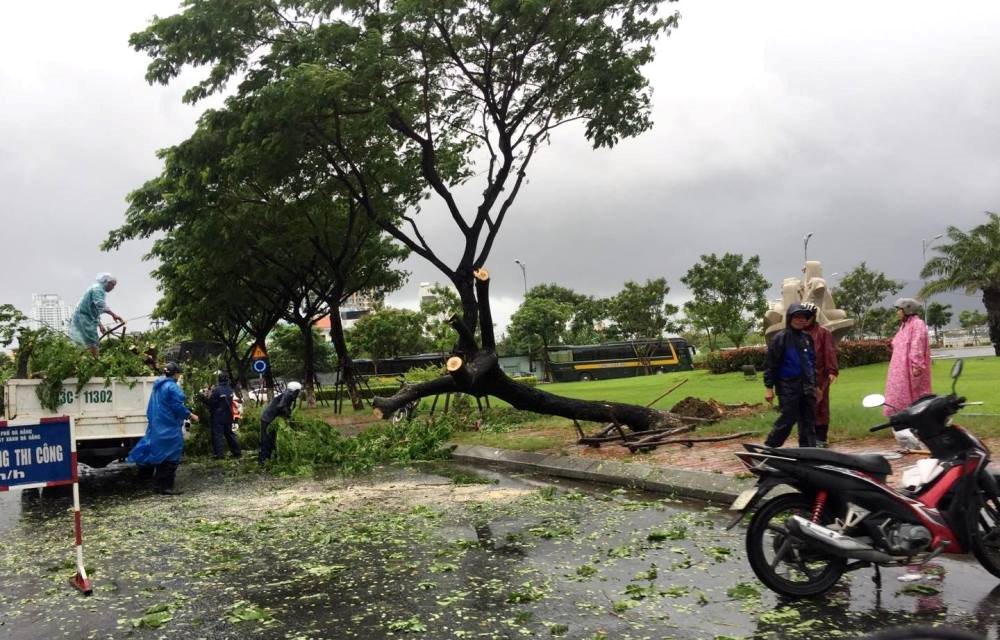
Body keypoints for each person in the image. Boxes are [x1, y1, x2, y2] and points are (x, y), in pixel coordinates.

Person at [127, 362, 199, 495]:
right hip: (170, 427)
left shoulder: (157, 386)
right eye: (179, 373)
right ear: (175, 374)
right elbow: (177, 406)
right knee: (172, 457)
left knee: (162, 457)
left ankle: (157, 486)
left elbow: (150, 408)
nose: (179, 376)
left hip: (158, 426)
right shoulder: (172, 387)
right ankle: (166, 487)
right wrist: (191, 415)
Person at [763, 303, 818, 448]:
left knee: (808, 420)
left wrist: (816, 385)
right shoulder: (780, 338)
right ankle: (771, 446)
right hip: (788, 386)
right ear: (790, 318)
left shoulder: (807, 338)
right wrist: (769, 387)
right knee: (788, 418)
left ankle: (808, 451)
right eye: (797, 317)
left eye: (804, 317)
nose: (800, 320)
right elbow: (771, 364)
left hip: (807, 386)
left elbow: (811, 363)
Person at [884, 298, 932, 447]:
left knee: (915, 399)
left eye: (899, 309)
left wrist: (917, 365)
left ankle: (918, 433)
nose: (897, 312)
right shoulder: (904, 326)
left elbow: (917, 345)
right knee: (898, 399)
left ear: (908, 309)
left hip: (910, 370)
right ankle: (905, 431)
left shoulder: (917, 324)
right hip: (899, 370)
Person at [803, 302, 839, 448]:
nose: (804, 320)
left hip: (820, 377)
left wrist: (832, 371)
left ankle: (821, 438)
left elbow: (829, 352)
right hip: (801, 377)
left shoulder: (823, 333)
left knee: (820, 407)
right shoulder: (797, 333)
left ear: (813, 317)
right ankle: (808, 437)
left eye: (807, 317)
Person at [68, 273, 124, 357]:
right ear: (107, 282)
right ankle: (94, 362)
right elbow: (100, 304)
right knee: (91, 341)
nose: (113, 288)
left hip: (87, 318)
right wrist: (113, 315)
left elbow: (94, 310)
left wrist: (100, 325)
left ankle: (88, 360)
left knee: (89, 341)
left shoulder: (98, 289)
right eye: (113, 285)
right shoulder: (97, 289)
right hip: (83, 318)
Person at [258, 382, 302, 464]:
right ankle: (263, 461)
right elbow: (281, 406)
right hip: (268, 420)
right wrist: (287, 416)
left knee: (273, 440)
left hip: (270, 419)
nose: (298, 393)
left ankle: (270, 458)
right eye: (298, 391)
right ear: (295, 390)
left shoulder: (288, 394)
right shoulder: (288, 395)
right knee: (267, 440)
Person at [201, 371, 242, 460]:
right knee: (229, 434)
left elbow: (211, 403)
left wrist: (203, 398)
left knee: (217, 435)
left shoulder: (216, 390)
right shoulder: (229, 389)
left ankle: (219, 455)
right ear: (227, 380)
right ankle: (237, 451)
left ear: (219, 380)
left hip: (218, 417)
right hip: (228, 416)